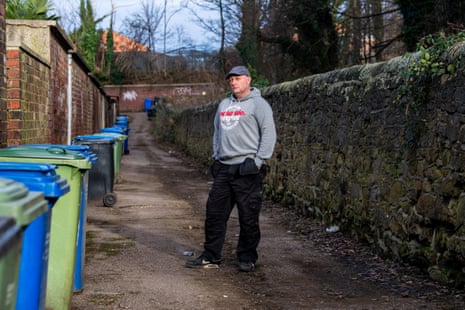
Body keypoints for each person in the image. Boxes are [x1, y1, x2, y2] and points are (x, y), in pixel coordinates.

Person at [185, 65, 277, 272]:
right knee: (214, 214)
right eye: (231, 79)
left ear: (248, 80)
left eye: (237, 78)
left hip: (247, 169)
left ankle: (247, 258)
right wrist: (216, 156)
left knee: (248, 216)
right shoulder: (224, 104)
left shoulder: (259, 105)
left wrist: (258, 160)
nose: (233, 82)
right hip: (224, 168)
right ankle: (211, 256)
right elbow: (217, 132)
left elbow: (269, 134)